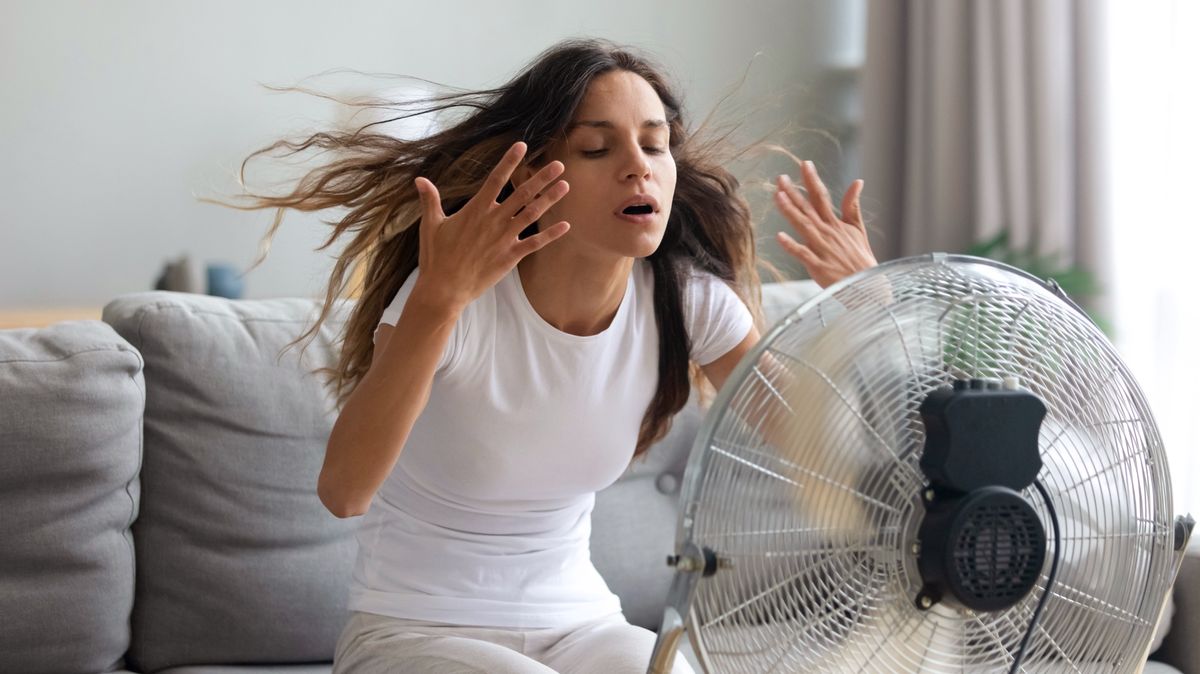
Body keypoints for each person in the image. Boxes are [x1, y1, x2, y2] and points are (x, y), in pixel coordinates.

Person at [235, 38, 876, 674]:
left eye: (655, 145)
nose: (639, 166)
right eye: (598, 148)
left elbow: (828, 462)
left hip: (581, 625)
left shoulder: (687, 303)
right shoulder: (453, 297)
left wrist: (874, 305)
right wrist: (437, 300)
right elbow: (345, 491)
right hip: (416, 630)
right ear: (532, 174)